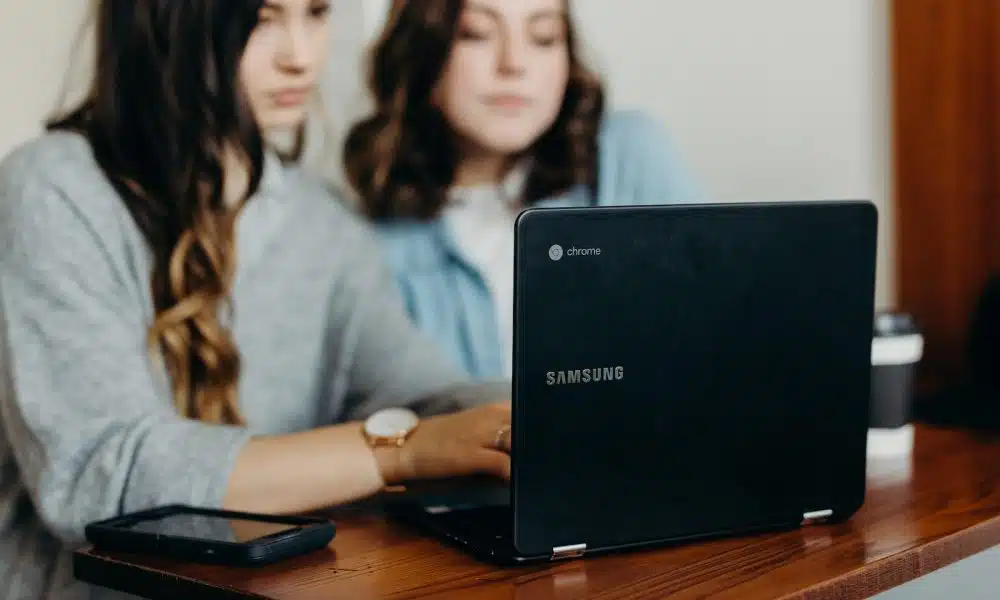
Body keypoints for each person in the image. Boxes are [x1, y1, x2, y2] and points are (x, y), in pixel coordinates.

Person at [0, 2, 513, 599]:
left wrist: (545, 408)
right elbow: (100, 473)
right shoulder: (52, 191)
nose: (300, 55)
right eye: (263, 19)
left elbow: (423, 393)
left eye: (317, 12)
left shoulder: (324, 222)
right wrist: (397, 452)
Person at [343, 0, 703, 379]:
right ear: (420, 50)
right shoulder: (364, 239)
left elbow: (714, 337)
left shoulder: (627, 156)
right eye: (476, 34)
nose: (514, 64)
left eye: (543, 37)